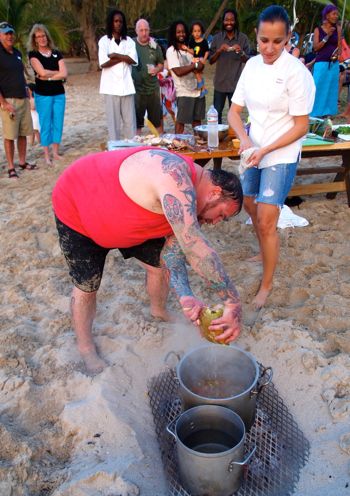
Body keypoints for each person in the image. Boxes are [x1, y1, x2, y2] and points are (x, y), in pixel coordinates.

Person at [52, 147, 243, 373]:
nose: (215, 222)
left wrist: (185, 296)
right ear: (214, 193)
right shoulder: (175, 177)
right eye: (221, 215)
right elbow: (194, 246)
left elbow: (173, 254)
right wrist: (232, 302)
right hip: (79, 207)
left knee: (158, 265)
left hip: (128, 221)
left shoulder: (189, 204)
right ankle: (85, 347)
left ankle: (158, 310)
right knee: (86, 287)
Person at [228, 5, 315, 308]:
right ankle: (263, 247)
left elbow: (302, 125)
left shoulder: (296, 73)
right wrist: (246, 140)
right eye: (264, 40)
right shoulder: (251, 65)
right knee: (250, 204)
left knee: (267, 219)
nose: (269, 48)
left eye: (277, 41)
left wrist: (265, 149)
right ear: (257, 35)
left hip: (282, 152)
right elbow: (234, 112)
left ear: (288, 38)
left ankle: (266, 286)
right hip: (255, 148)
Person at [0, 21, 36, 178]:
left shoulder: (17, 53)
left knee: (23, 133)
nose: (9, 36)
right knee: (10, 136)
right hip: (9, 101)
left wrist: (27, 89)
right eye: (6, 33)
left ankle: (22, 161)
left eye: (10, 33)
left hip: (23, 98)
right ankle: (10, 166)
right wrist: (3, 103)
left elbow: (20, 74)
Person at [28, 24, 67, 166]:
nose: (42, 39)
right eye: (38, 37)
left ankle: (55, 152)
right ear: (35, 40)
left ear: (47, 36)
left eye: (43, 35)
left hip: (59, 94)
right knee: (45, 124)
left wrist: (49, 76)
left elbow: (64, 73)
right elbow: (41, 72)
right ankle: (46, 155)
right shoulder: (33, 55)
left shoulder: (57, 53)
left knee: (58, 122)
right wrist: (56, 73)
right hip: (43, 94)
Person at [98, 9, 137, 141]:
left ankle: (131, 151)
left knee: (130, 123)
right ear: (111, 23)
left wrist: (115, 55)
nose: (118, 24)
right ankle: (115, 151)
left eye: (120, 21)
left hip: (127, 87)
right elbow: (103, 63)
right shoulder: (104, 41)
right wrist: (123, 58)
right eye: (116, 21)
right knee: (113, 125)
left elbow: (133, 60)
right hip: (110, 88)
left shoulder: (129, 41)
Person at [209, 8, 250, 124]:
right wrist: (219, 50)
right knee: (217, 114)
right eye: (226, 20)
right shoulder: (217, 38)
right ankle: (218, 138)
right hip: (220, 83)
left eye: (232, 20)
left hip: (236, 85)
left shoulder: (243, 38)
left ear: (236, 21)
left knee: (235, 115)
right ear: (223, 21)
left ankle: (234, 138)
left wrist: (241, 51)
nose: (229, 22)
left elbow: (248, 60)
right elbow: (211, 61)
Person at [166, 20, 205, 134]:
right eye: (178, 32)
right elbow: (178, 71)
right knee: (180, 122)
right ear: (174, 34)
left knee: (197, 123)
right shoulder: (171, 51)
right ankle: (177, 145)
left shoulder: (189, 49)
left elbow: (201, 66)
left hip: (197, 91)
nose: (181, 34)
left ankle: (199, 145)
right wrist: (194, 66)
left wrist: (197, 64)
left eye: (183, 32)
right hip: (184, 92)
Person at [132, 19, 164, 135]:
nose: (144, 33)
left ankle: (160, 147)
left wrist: (156, 69)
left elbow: (161, 63)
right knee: (137, 123)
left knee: (157, 122)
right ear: (136, 31)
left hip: (153, 90)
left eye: (146, 30)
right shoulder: (131, 44)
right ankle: (136, 148)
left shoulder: (154, 45)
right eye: (141, 30)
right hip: (137, 90)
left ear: (149, 30)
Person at [310, 4, 341, 118]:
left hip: (333, 64)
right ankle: (314, 112)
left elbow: (339, 47)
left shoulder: (338, 28)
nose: (336, 16)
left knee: (330, 88)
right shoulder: (318, 29)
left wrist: (338, 53)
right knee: (318, 87)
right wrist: (327, 35)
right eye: (334, 14)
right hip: (321, 63)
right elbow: (316, 48)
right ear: (327, 15)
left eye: (337, 14)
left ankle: (327, 113)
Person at [184, 21, 210, 97]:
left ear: (201, 32)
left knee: (196, 71)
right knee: (196, 72)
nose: (197, 33)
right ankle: (203, 88)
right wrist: (187, 49)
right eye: (195, 31)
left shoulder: (204, 41)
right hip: (195, 59)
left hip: (201, 60)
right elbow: (192, 52)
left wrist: (204, 60)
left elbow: (207, 51)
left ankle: (201, 85)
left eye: (199, 31)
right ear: (192, 33)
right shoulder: (191, 41)